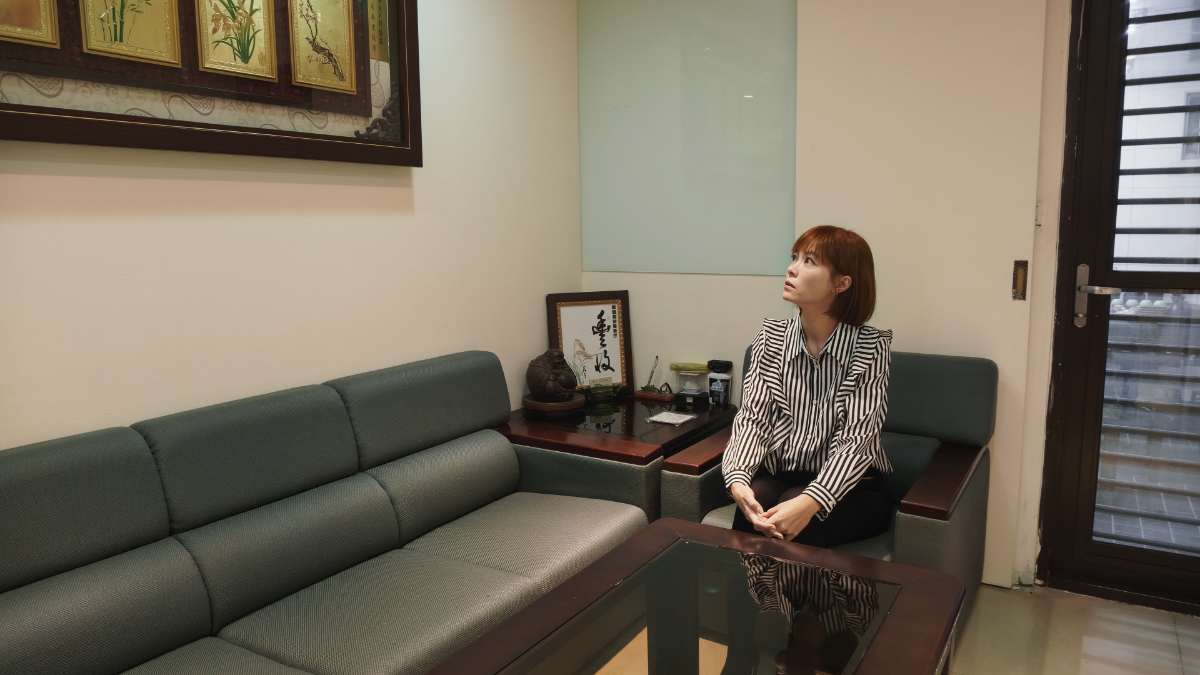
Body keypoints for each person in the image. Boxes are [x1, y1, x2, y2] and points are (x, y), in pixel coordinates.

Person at [723, 225, 893, 546]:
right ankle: (747, 581)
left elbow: (856, 441)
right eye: (794, 257)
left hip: (853, 485)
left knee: (798, 514)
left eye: (809, 261)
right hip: (783, 474)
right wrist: (738, 480)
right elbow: (753, 421)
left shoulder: (869, 349)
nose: (792, 268)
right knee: (758, 500)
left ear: (841, 283)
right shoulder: (771, 339)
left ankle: (779, 581)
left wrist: (812, 500)